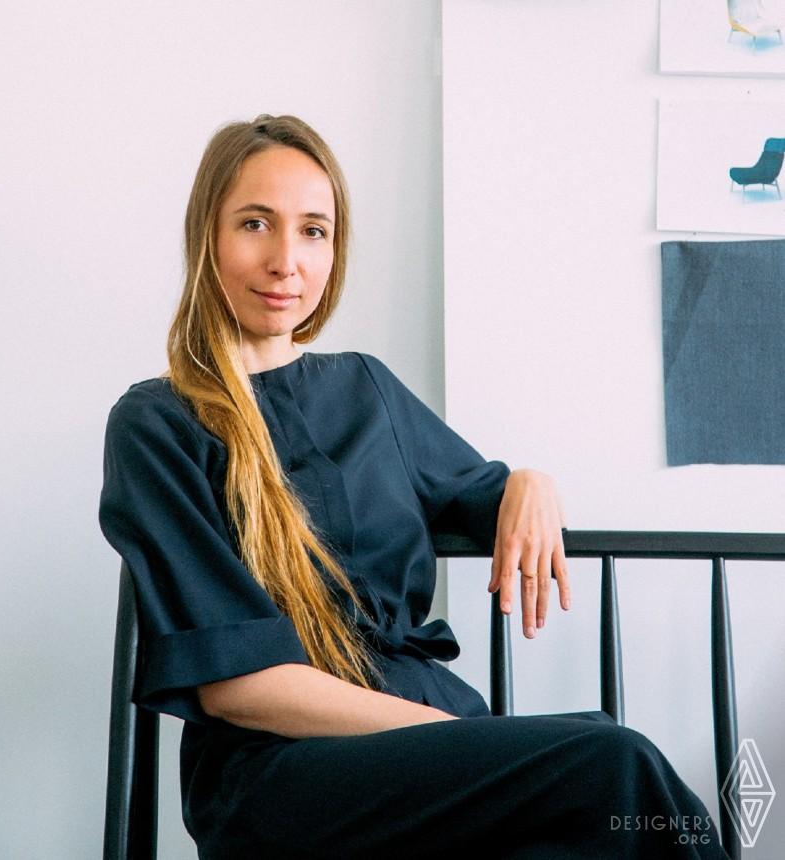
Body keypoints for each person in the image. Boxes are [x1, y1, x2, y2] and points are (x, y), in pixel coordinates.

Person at [99, 114, 728, 858]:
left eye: (313, 231)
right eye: (255, 224)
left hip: (422, 748)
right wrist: (459, 737)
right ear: (206, 234)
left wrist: (530, 481)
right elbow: (240, 686)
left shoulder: (366, 389)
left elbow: (481, 490)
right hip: (285, 769)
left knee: (602, 802)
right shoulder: (158, 423)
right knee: (613, 762)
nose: (285, 261)